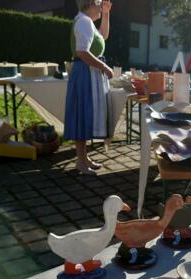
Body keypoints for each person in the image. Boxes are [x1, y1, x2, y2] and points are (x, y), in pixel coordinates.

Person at [64, 0, 113, 175]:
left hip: (87, 73)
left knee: (85, 115)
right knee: (82, 115)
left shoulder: (86, 21)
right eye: (99, 5)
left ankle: (84, 158)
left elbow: (102, 36)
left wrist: (106, 14)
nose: (100, 8)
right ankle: (81, 162)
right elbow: (82, 52)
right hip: (85, 73)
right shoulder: (84, 21)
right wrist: (104, 67)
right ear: (90, 4)